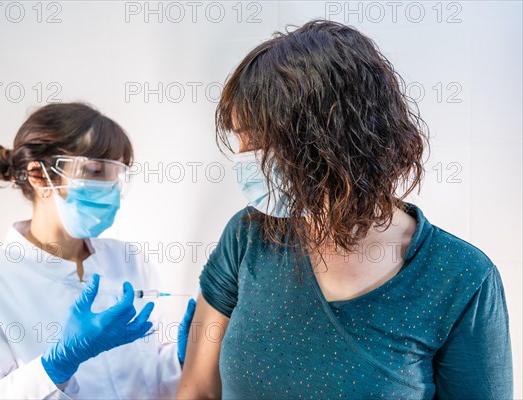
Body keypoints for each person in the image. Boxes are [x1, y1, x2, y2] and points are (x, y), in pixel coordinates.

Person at [177, 20, 513, 399]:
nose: (244, 160)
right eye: (240, 140)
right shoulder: (249, 236)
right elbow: (198, 391)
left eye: (256, 142)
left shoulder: (459, 277)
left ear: (332, 140)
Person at [0, 102, 196, 399]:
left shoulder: (129, 262)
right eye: (96, 171)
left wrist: (181, 361)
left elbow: (150, 380)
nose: (111, 190)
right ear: (39, 176)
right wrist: (54, 369)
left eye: (117, 175)